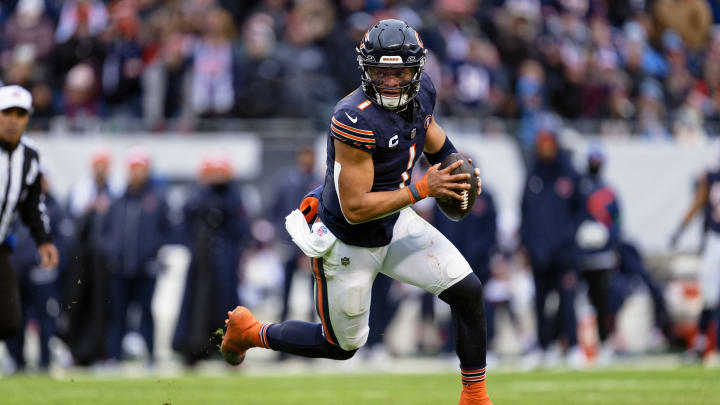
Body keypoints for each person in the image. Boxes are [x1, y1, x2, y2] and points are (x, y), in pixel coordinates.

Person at [221, 20, 493, 405]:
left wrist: (454, 168)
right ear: (367, 69)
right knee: (341, 346)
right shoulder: (353, 117)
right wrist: (423, 189)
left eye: (400, 72)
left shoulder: (424, 93)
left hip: (394, 222)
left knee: (468, 292)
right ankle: (250, 332)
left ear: (416, 71)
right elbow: (355, 208)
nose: (392, 82)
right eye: (382, 72)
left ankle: (475, 398)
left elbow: (432, 136)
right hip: (350, 240)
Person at [172, 154, 250, 365]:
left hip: (225, 261)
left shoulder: (234, 197)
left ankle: (228, 349)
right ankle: (193, 347)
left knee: (227, 307)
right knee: (197, 303)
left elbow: (242, 229)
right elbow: (184, 228)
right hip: (201, 262)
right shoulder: (197, 197)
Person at [101, 148, 172, 364]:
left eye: (141, 169)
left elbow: (166, 231)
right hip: (120, 268)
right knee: (118, 314)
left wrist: (151, 252)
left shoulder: (157, 200)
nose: (137, 173)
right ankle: (114, 356)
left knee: (147, 314)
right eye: (134, 169)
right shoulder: (117, 201)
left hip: (146, 268)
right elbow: (104, 233)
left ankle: (151, 356)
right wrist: (112, 253)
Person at [520, 129, 583, 369]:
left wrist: (569, 238)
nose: (544, 147)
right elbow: (525, 213)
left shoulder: (569, 174)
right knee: (540, 304)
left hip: (565, 254)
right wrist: (526, 245)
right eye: (541, 143)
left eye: (548, 143)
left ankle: (573, 346)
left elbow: (580, 211)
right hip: (539, 254)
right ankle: (543, 347)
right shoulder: (533, 175)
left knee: (567, 302)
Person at [0, 84, 59, 340]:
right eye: (7, 113)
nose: (13, 121)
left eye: (20, 114)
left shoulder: (31, 156)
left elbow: (32, 203)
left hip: (0, 245)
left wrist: (43, 240)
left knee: (9, 322)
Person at [5, 172, 70, 372]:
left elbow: (63, 241)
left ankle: (44, 361)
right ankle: (17, 361)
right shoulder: (15, 206)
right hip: (18, 272)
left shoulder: (54, 207)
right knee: (16, 318)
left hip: (43, 274)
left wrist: (49, 262)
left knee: (46, 318)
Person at [575, 146, 622, 366]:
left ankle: (604, 342)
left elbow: (618, 222)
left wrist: (609, 240)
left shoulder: (609, 192)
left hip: (602, 257)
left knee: (602, 302)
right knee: (575, 302)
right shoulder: (579, 188)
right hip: (580, 256)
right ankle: (576, 345)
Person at [670, 162, 720, 364]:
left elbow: (697, 204)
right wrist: (680, 229)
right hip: (713, 240)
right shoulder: (710, 176)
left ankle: (703, 345)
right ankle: (701, 345)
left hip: (713, 242)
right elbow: (698, 203)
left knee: (711, 296)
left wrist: (679, 230)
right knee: (709, 295)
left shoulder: (709, 176)